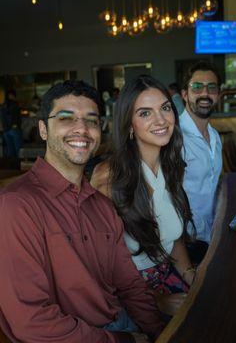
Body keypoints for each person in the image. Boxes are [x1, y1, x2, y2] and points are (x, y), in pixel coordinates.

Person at [0, 80, 165, 343]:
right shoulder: (16, 205)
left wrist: (161, 333)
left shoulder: (101, 205)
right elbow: (31, 322)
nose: (82, 129)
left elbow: (130, 285)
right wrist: (124, 341)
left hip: (120, 322)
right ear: (43, 129)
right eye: (66, 118)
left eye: (91, 120)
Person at [91, 75, 196, 316]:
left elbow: (173, 237)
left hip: (167, 274)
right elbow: (100, 264)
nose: (161, 120)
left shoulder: (171, 166)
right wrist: (155, 302)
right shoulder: (108, 178)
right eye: (145, 113)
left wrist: (191, 275)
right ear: (129, 124)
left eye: (165, 108)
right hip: (129, 297)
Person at [179, 61, 223, 263]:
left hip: (211, 234)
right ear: (185, 94)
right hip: (185, 242)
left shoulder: (214, 136)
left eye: (211, 87)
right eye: (197, 87)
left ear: (218, 95)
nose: (205, 93)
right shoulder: (174, 137)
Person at [1, 89, 22, 158]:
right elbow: (16, 117)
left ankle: (13, 166)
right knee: (18, 150)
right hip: (14, 129)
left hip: (6, 130)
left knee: (11, 151)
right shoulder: (15, 105)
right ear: (11, 95)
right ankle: (18, 167)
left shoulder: (3, 105)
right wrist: (16, 126)